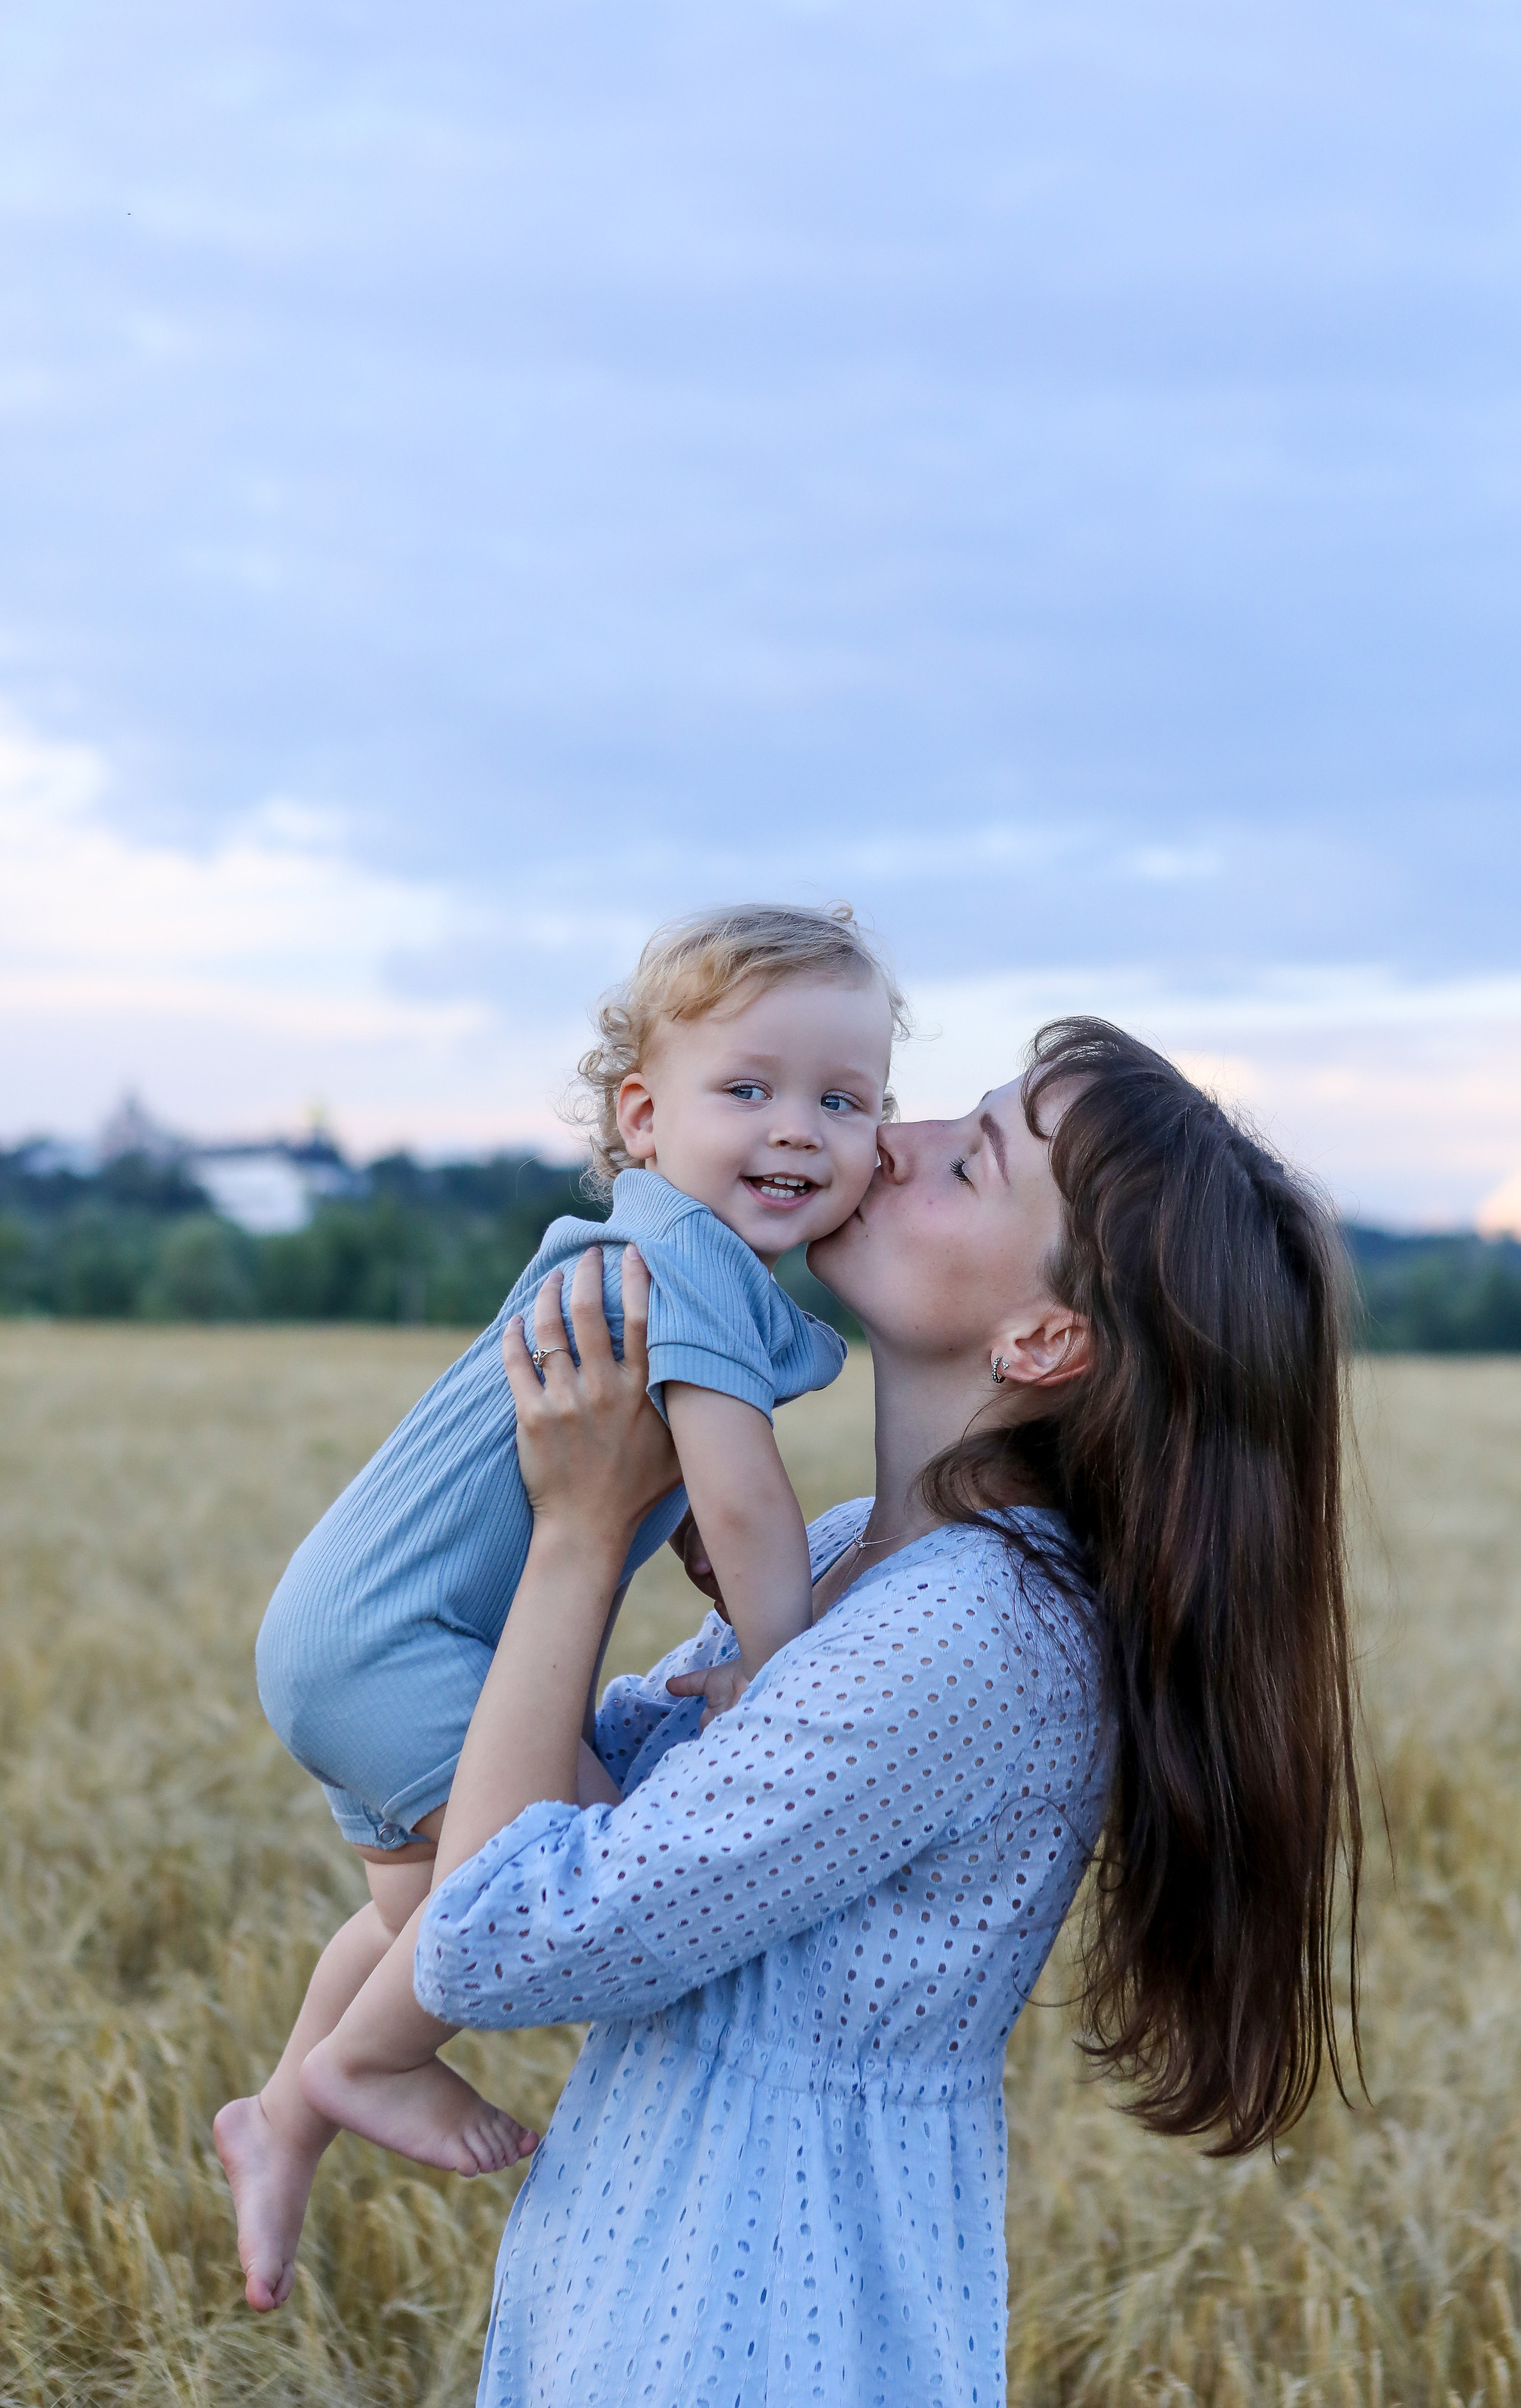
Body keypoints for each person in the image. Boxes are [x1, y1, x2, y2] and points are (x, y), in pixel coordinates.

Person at [411, 1017, 1366, 2408]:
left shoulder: (972, 1630)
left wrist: (575, 1533)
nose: (884, 1141)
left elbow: (495, 1936)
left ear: (1043, 1336)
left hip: (746, 2324)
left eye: (967, 1161)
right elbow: (574, 1801)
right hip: (652, 2270)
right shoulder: (856, 1552)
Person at [215, 903, 904, 2313]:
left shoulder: (660, 1246)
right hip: (410, 1646)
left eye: (843, 1101)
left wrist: (693, 1544)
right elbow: (744, 1498)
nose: (797, 1128)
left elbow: (674, 1483)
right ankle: (367, 2062)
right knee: (578, 1856)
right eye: (749, 1088)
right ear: (643, 1117)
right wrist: (784, 1672)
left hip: (355, 1624)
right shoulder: (693, 1258)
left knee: (416, 1909)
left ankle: (279, 2114)